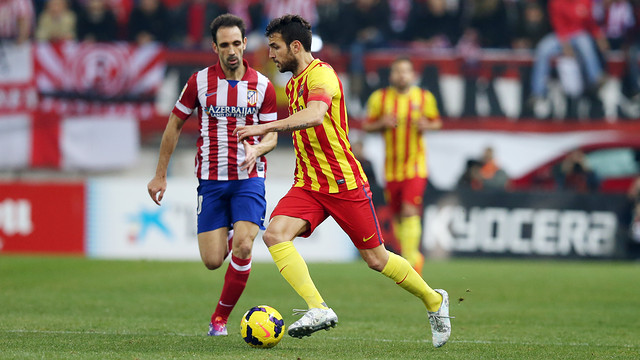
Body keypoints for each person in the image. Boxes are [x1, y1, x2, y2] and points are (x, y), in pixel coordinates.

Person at [234, 14, 451, 348]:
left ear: (295, 46)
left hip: (344, 183)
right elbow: (291, 129)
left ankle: (434, 300)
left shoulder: (322, 75)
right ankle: (318, 308)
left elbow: (315, 115)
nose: (271, 55)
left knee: (377, 259)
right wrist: (261, 144)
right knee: (275, 234)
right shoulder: (292, 84)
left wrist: (266, 126)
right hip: (308, 184)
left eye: (275, 48)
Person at [147, 14, 278, 336]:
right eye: (224, 45)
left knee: (245, 246)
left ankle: (219, 319)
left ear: (245, 43)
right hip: (211, 180)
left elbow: (273, 134)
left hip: (249, 177)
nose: (231, 50)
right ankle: (233, 234)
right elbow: (174, 124)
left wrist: (258, 150)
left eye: (237, 43)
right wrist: (159, 175)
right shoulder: (199, 82)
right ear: (214, 47)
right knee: (212, 260)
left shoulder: (263, 86)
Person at [362, 57, 442, 276]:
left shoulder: (424, 97)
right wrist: (382, 123)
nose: (402, 75)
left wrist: (427, 125)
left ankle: (411, 259)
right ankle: (409, 255)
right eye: (398, 71)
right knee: (397, 214)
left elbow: (437, 122)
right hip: (390, 169)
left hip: (415, 166)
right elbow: (367, 125)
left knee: (409, 209)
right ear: (391, 76)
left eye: (406, 71)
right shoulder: (380, 98)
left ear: (412, 75)